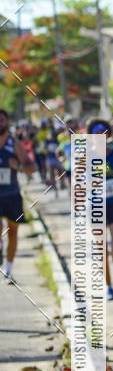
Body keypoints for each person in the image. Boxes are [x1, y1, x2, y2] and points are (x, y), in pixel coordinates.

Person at [87, 117, 113, 300]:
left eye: (103, 133)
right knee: (101, 248)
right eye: (96, 134)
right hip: (96, 206)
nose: (100, 136)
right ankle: (108, 286)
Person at [0, 109, 35, 281]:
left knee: (13, 231)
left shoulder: (14, 144)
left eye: (2, 120)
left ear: (7, 123)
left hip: (12, 194)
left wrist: (19, 167)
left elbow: (31, 167)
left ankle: (8, 269)